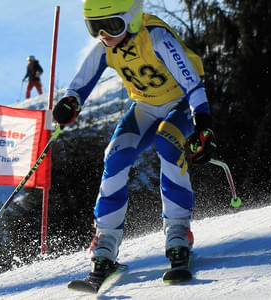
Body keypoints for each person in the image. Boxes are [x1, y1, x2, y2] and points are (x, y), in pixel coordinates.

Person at [52, 0, 217, 284]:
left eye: (112, 25)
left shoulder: (156, 37)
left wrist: (202, 125)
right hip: (144, 107)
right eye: (95, 28)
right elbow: (80, 84)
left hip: (179, 104)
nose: (105, 34)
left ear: (132, 18)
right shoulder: (106, 47)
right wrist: (70, 102)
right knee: (115, 155)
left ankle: (178, 232)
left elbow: (192, 84)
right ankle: (106, 242)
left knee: (168, 144)